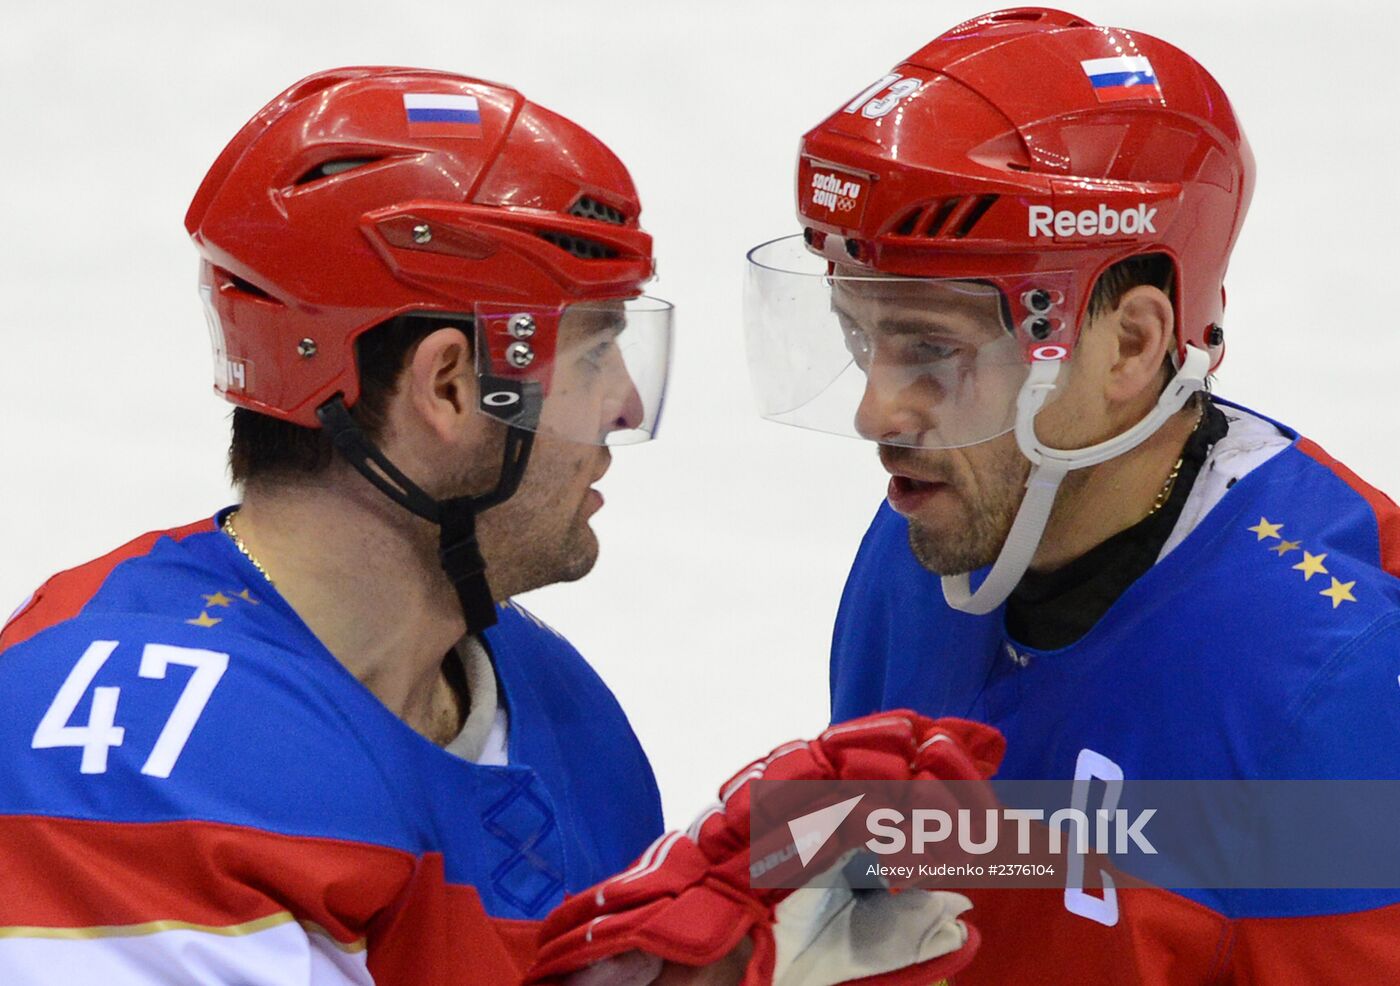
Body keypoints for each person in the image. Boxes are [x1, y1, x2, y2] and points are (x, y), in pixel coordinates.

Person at [743, 8, 1400, 983]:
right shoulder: (924, 542)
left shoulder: (1335, 686)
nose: (875, 410)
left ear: (1131, 344)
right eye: (857, 337)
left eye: (929, 349)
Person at [0, 66, 673, 983]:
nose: (625, 406)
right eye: (595, 349)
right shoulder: (129, 739)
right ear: (451, 387)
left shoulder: (554, 699)